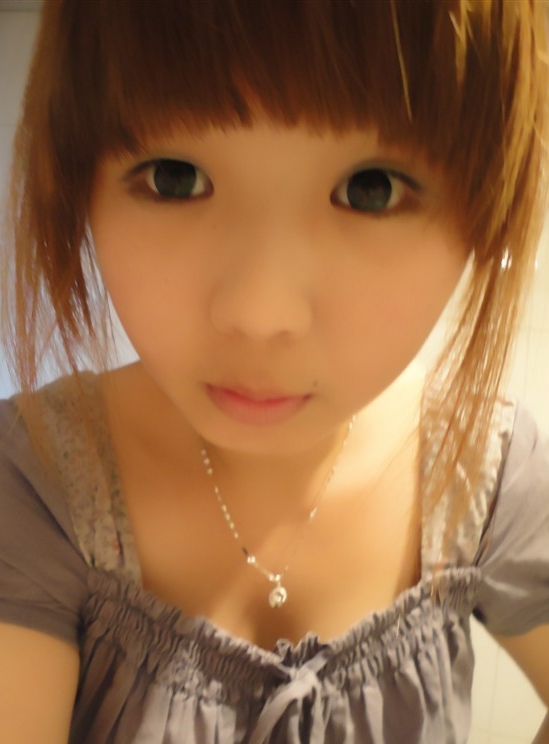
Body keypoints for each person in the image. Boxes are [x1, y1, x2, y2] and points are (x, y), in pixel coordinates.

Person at [0, 0, 548, 742]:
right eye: (174, 177)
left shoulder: (485, 470)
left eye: (372, 189)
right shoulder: (33, 477)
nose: (260, 313)